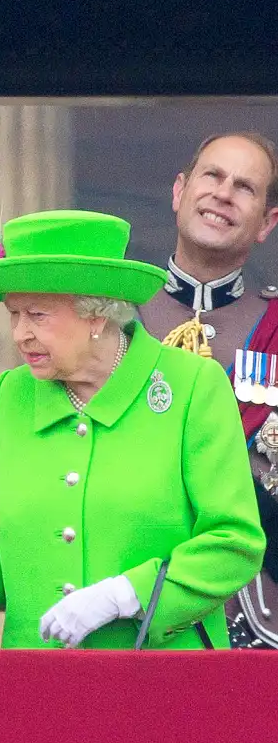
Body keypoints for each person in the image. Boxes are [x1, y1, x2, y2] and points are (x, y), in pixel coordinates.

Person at [0, 209, 265, 650]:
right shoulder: (11, 396)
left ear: (97, 314)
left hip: (159, 688)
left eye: (37, 314)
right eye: (14, 314)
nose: (20, 333)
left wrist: (126, 595)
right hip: (35, 687)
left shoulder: (191, 389)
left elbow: (234, 542)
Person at [137, 132, 278, 648]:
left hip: (256, 623)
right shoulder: (114, 320)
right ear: (179, 191)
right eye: (212, 176)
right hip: (126, 611)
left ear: (267, 223)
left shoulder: (276, 326)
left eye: (245, 187)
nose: (223, 193)